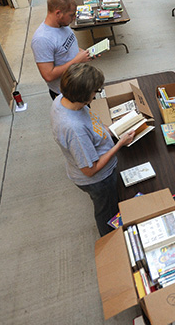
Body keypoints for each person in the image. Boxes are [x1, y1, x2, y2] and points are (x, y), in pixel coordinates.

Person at [50, 63, 134, 236]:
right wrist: (119, 144)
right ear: (84, 95)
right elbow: (90, 170)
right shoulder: (74, 129)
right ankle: (112, 241)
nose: (97, 94)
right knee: (107, 213)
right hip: (98, 180)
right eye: (96, 91)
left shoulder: (63, 99)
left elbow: (92, 123)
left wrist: (112, 130)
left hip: (98, 162)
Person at [31, 0, 92, 99]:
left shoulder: (62, 25)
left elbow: (66, 48)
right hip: (67, 93)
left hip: (80, 84)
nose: (74, 18)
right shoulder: (42, 39)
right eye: (71, 15)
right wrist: (77, 60)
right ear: (58, 13)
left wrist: (84, 53)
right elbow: (48, 75)